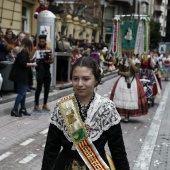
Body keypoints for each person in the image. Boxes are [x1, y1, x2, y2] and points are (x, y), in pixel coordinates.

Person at [41, 57, 130, 170]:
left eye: (86, 79)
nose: (79, 84)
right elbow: (51, 149)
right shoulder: (62, 106)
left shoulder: (107, 108)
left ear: (96, 80)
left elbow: (118, 150)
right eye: (75, 79)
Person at [110, 53, 148, 122]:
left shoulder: (136, 61)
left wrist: (131, 63)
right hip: (122, 81)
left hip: (133, 81)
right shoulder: (123, 61)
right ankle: (123, 115)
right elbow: (118, 72)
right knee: (122, 97)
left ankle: (127, 115)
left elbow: (137, 71)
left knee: (131, 98)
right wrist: (124, 73)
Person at [9, 37, 37, 117]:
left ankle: (23, 109)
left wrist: (31, 61)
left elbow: (23, 62)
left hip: (21, 75)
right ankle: (14, 109)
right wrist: (33, 64)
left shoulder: (22, 51)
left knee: (23, 93)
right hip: (21, 76)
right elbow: (23, 64)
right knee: (21, 93)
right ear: (29, 44)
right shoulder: (24, 51)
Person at [31, 34, 54, 111]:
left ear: (45, 41)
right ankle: (36, 104)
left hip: (47, 70)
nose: (41, 43)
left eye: (43, 42)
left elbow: (52, 60)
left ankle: (45, 104)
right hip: (39, 71)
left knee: (47, 88)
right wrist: (35, 60)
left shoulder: (49, 49)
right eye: (40, 41)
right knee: (39, 88)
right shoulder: (35, 49)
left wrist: (46, 61)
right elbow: (31, 59)